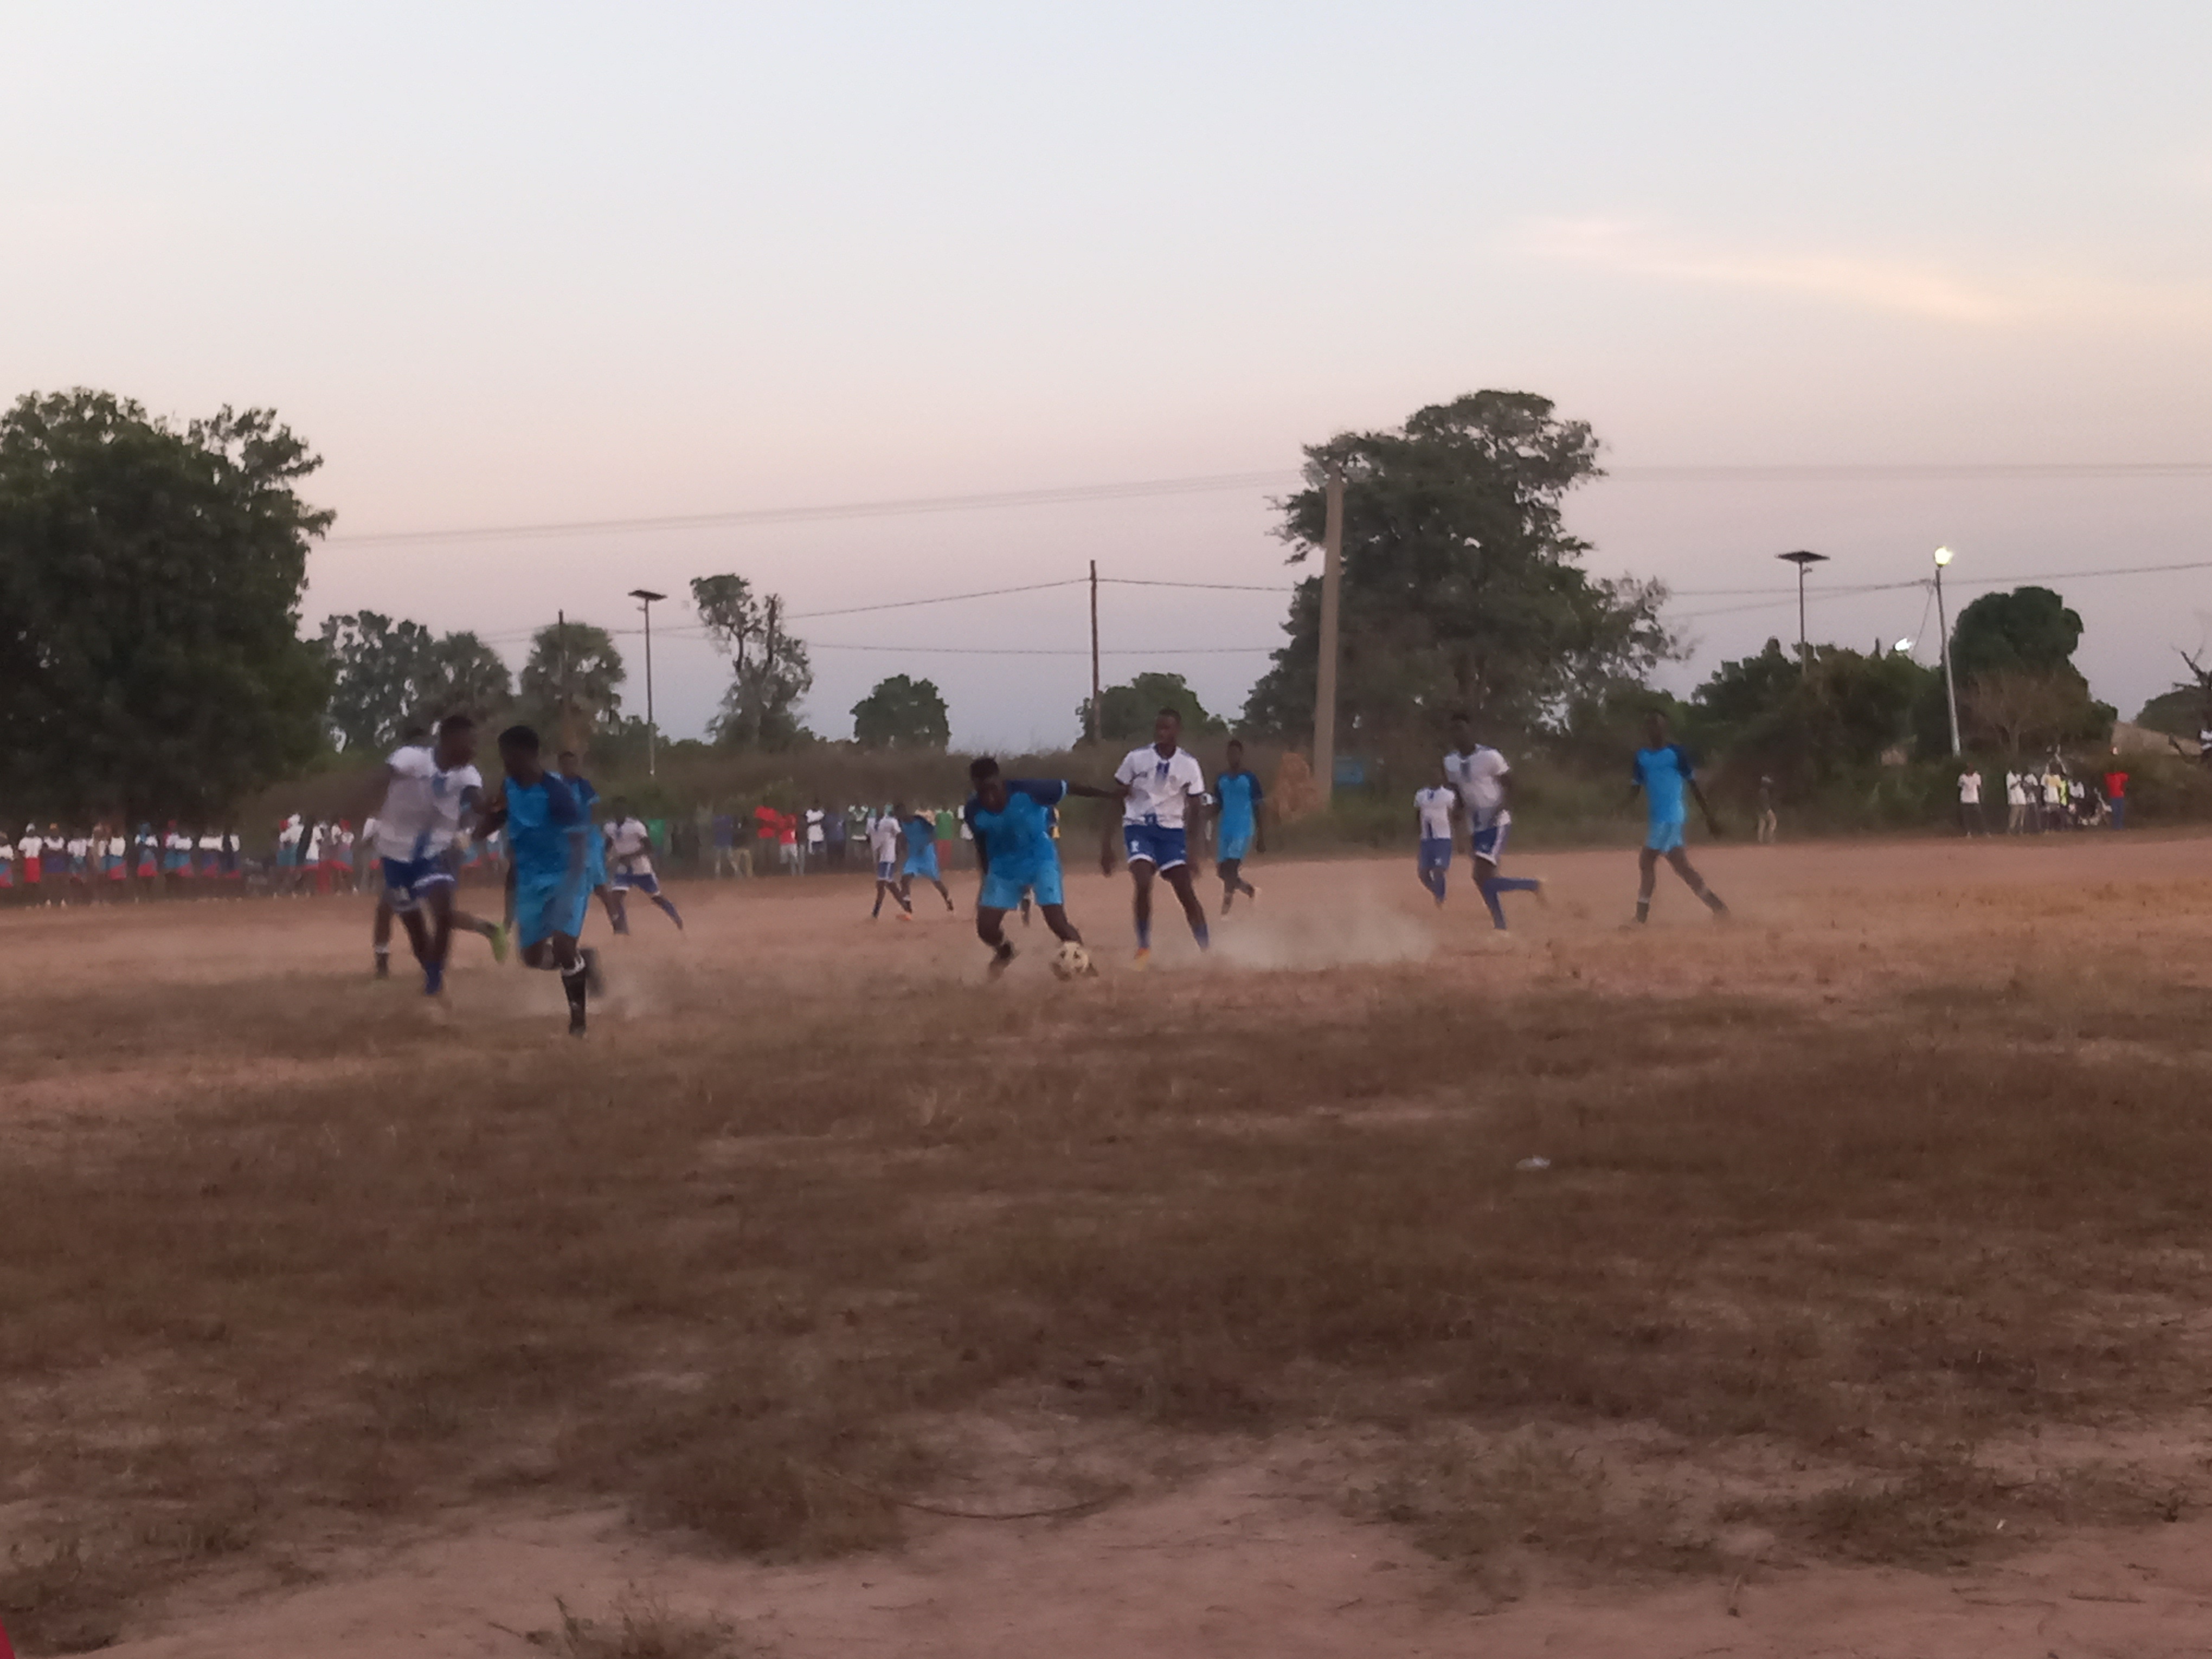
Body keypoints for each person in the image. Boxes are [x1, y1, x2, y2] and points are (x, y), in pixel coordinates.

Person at [371, 715, 509, 992]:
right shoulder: (410, 758)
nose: (474, 750)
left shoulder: (467, 774)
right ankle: (431, 974)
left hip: (434, 852)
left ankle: (433, 987)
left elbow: (478, 803)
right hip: (396, 856)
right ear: (448, 740)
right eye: (470, 743)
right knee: (417, 932)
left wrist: (494, 805)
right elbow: (378, 779)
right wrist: (363, 803)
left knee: (443, 913)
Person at [483, 725, 604, 1036]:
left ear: (527, 755)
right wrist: (467, 836)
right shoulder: (509, 786)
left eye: (508, 756)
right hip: (530, 881)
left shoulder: (557, 794)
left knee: (563, 945)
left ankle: (578, 1022)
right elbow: (498, 816)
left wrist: (571, 887)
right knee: (532, 957)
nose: (505, 763)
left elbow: (578, 843)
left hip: (567, 877)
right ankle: (584, 962)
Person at [964, 757, 1118, 978]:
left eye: (992, 789)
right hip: (1003, 867)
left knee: (1056, 920)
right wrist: (986, 878)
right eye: (982, 792)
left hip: (1040, 859)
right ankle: (1005, 951)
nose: (989, 797)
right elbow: (981, 844)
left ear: (1000, 781)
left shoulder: (1030, 790)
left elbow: (1071, 787)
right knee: (986, 928)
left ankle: (1086, 969)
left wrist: (1109, 794)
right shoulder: (973, 810)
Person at [1109, 708, 1211, 966]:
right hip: (1139, 827)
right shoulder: (1136, 758)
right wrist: (1106, 844)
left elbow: (1196, 810)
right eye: (1159, 728)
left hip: (1172, 833)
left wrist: (1193, 851)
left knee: (1185, 890)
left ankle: (1207, 950)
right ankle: (1144, 947)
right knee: (1143, 880)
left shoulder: (1189, 764)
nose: (1162, 733)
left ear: (1177, 731)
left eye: (1167, 728)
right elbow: (1115, 798)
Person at [1445, 715, 1544, 933]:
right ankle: (1520, 900)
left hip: (1496, 822)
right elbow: (1457, 794)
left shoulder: (1490, 756)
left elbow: (1511, 785)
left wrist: (1502, 808)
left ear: (1471, 732)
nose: (1459, 736)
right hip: (1475, 824)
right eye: (1454, 732)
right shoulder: (1450, 762)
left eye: (1462, 730)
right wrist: (1458, 823)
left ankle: (1523, 896)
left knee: (1480, 875)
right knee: (1484, 880)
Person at [1628, 712, 1728, 925]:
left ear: (1665, 729)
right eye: (1651, 727)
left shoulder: (1676, 754)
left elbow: (1694, 786)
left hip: (1671, 817)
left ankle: (1640, 918)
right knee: (1681, 866)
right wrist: (1620, 807)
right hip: (1658, 819)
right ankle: (1718, 907)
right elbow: (1635, 789)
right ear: (1647, 731)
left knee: (1646, 860)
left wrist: (1710, 817)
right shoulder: (1642, 757)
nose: (1655, 731)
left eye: (1659, 726)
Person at [604, 799, 685, 932]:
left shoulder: (636, 826)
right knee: (616, 897)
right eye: (617, 810)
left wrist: (630, 856)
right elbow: (609, 843)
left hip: (641, 869)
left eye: (622, 810)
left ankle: (675, 916)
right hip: (624, 869)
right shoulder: (610, 827)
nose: (620, 813)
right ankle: (623, 928)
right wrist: (606, 856)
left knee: (656, 897)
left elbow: (649, 848)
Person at [1213, 738, 1266, 914]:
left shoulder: (1250, 778)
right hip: (1225, 829)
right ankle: (1250, 891)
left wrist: (1261, 835)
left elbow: (1259, 806)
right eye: (1230, 753)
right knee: (1222, 872)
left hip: (1243, 828)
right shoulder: (1221, 779)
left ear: (1241, 755)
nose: (1233, 756)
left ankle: (1225, 912)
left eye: (1236, 753)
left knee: (1231, 868)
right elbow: (1217, 805)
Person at [898, 801, 956, 912]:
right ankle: (908, 907)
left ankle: (948, 900)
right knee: (904, 880)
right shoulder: (902, 824)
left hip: (927, 855)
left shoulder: (920, 821)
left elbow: (933, 833)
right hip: (914, 856)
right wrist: (903, 849)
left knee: (936, 881)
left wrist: (925, 844)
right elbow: (903, 838)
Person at [1414, 763, 1457, 908]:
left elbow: (1455, 815)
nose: (1435, 778)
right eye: (1432, 776)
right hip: (1427, 839)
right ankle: (1437, 892)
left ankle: (1441, 896)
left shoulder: (1448, 795)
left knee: (1439, 869)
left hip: (1442, 838)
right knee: (1423, 873)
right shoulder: (1421, 794)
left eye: (1438, 776)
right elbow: (1418, 814)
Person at [868, 803, 912, 921]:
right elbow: (870, 837)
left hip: (888, 856)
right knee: (887, 885)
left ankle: (876, 912)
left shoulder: (891, 821)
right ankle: (906, 908)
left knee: (884, 884)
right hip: (879, 858)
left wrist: (901, 851)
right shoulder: (871, 822)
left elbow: (900, 836)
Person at [1958, 766, 1985, 836]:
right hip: (1965, 799)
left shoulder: (1977, 776)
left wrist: (1981, 797)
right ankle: (1968, 832)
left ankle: (1982, 831)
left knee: (1979, 816)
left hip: (1974, 799)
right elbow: (1960, 786)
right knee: (1966, 817)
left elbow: (1979, 786)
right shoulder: (1962, 777)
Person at [2104, 766, 2129, 831]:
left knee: (2119, 812)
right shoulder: (2111, 776)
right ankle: (2116, 826)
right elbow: (2126, 777)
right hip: (2114, 797)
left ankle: (2119, 826)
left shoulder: (2112, 776)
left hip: (2119, 796)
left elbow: (2126, 777)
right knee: (2116, 812)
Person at [805, 802, 826, 872]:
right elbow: (807, 822)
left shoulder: (821, 813)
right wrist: (816, 821)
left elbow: (823, 821)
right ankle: (812, 869)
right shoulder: (809, 813)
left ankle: (821, 869)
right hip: (811, 835)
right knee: (811, 853)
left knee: (820, 852)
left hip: (819, 835)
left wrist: (815, 822)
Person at [1756, 776, 1777, 845]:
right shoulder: (1764, 792)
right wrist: (1768, 811)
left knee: (1762, 825)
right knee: (1773, 821)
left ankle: (1760, 840)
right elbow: (1764, 803)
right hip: (1766, 810)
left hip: (1760, 811)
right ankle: (1769, 838)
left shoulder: (1761, 791)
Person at [2004, 769, 2027, 834]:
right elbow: (2011, 787)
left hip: (2021, 797)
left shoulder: (2019, 775)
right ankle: (2011, 829)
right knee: (2014, 815)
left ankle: (2020, 830)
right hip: (2014, 798)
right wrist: (2018, 782)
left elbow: (2022, 786)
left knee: (2022, 815)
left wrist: (2022, 782)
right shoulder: (2009, 776)